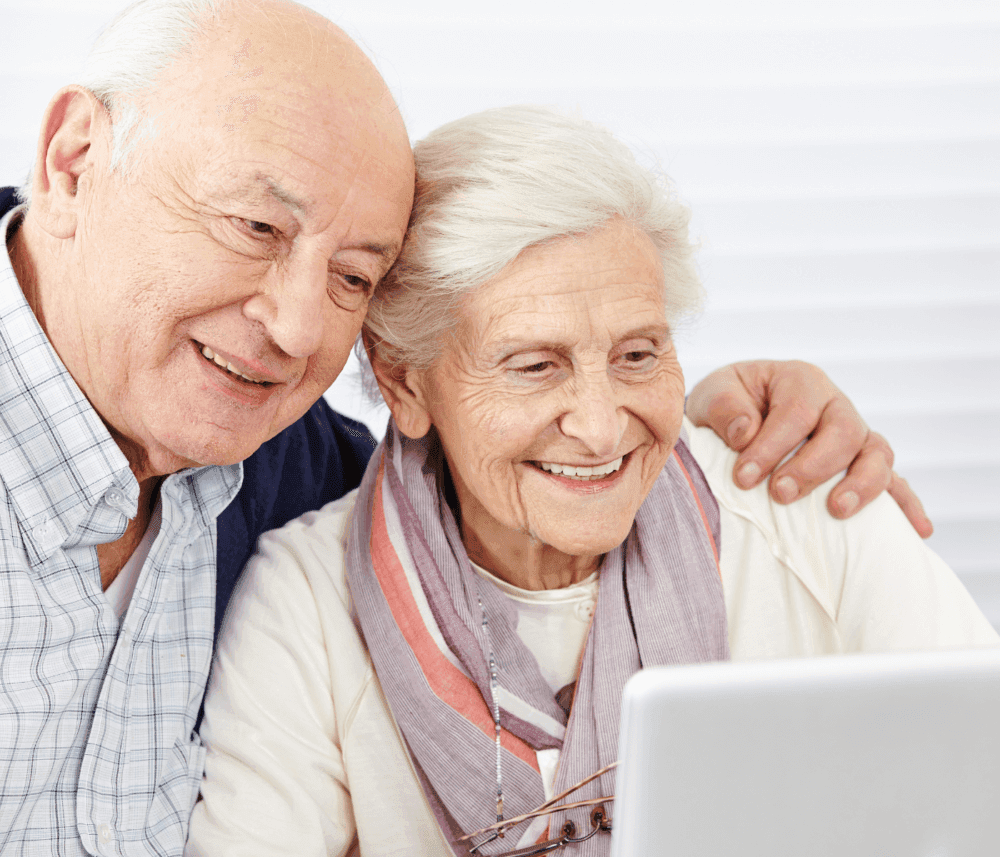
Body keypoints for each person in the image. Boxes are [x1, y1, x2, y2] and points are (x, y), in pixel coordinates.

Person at [0, 1, 931, 854]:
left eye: (354, 278)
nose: (292, 326)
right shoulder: (288, 546)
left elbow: (504, 451)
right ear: (74, 160)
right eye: (255, 226)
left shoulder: (267, 446)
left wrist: (708, 420)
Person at [185, 106, 998, 857]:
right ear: (403, 384)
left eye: (638, 354)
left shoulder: (808, 505)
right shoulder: (306, 604)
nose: (603, 427)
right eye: (535, 367)